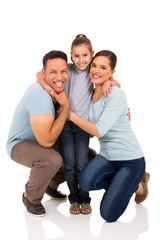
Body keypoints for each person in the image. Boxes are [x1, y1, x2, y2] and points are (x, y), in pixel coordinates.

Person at [37, 34, 121, 215]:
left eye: (85, 56)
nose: (81, 60)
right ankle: (74, 199)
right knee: (69, 164)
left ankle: (85, 198)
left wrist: (110, 81)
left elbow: (111, 80)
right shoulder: (66, 69)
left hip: (82, 125)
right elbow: (39, 73)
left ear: (91, 55)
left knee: (82, 163)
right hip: (65, 124)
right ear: (71, 56)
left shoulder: (93, 73)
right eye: (76, 56)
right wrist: (50, 90)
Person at [65, 50, 150, 222]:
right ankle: (126, 184)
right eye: (94, 66)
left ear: (112, 72)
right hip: (107, 157)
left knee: (108, 216)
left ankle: (138, 184)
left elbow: (98, 130)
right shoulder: (89, 95)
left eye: (103, 68)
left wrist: (70, 115)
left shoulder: (116, 94)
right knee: (85, 182)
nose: (96, 70)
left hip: (130, 160)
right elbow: (91, 131)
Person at [6, 50, 71, 217]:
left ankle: (50, 184)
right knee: (51, 160)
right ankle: (31, 197)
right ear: (44, 73)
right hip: (20, 144)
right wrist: (65, 108)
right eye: (53, 72)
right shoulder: (39, 96)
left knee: (81, 155)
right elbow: (47, 143)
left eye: (63, 71)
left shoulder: (58, 82)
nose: (59, 76)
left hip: (44, 138)